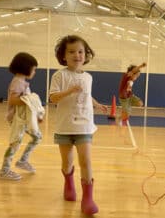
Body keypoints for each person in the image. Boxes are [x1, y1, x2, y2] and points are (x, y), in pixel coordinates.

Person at [49, 35, 107, 215]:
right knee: (67, 163)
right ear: (63, 55)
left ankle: (88, 199)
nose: (77, 55)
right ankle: (68, 182)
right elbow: (53, 98)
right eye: (72, 51)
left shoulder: (88, 77)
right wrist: (69, 90)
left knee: (86, 161)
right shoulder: (59, 75)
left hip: (84, 126)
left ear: (86, 54)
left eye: (81, 51)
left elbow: (86, 94)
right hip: (65, 127)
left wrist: (96, 103)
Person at [0, 52, 42, 181]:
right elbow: (13, 101)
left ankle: (23, 160)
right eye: (34, 69)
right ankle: (4, 170)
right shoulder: (17, 82)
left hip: (23, 119)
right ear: (25, 67)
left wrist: (36, 114)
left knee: (37, 137)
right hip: (17, 119)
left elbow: (28, 104)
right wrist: (31, 99)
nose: (34, 72)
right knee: (15, 143)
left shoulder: (21, 81)